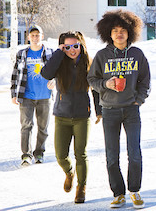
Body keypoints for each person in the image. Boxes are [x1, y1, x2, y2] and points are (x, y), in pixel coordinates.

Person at [87, 10, 151, 209]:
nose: (119, 34)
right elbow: (92, 79)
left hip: (131, 110)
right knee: (111, 155)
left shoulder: (136, 54)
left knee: (135, 153)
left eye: (123, 30)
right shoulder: (102, 55)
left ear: (130, 32)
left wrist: (139, 99)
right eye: (115, 30)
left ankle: (134, 191)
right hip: (110, 110)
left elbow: (145, 80)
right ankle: (118, 193)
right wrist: (106, 84)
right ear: (109, 33)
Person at [41, 31, 101, 204]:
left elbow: (96, 87)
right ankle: (69, 172)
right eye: (67, 47)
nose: (72, 50)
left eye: (75, 46)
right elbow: (46, 73)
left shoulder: (88, 63)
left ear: (81, 45)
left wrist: (99, 110)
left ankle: (81, 188)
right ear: (62, 47)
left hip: (82, 116)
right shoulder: (59, 62)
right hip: (62, 116)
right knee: (61, 156)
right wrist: (59, 53)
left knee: (80, 154)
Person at [10, 25, 54, 166]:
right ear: (28, 37)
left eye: (37, 35)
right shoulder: (22, 53)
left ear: (42, 36)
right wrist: (13, 93)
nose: (35, 38)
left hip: (45, 96)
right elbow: (15, 74)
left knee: (43, 128)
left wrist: (55, 80)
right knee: (26, 126)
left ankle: (39, 153)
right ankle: (26, 155)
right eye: (32, 35)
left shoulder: (50, 53)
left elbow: (58, 72)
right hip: (26, 96)